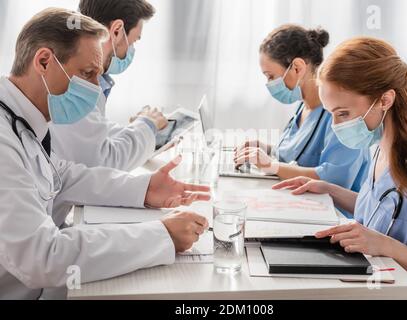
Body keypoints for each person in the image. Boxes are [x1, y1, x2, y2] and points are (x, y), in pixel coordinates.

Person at [0, 8, 210, 300]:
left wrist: (145, 189)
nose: (96, 87)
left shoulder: (25, 119)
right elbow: (43, 257)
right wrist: (161, 235)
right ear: (44, 61)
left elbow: (62, 175)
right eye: (88, 73)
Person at [273, 37, 407, 300]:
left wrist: (387, 246)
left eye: (343, 113)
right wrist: (329, 190)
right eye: (332, 113)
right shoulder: (380, 146)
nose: (335, 125)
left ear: (385, 100)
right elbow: (383, 211)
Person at [234, 24, 370, 194]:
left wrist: (270, 165)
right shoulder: (304, 106)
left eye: (271, 76)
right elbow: (297, 156)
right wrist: (265, 149)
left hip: (331, 212)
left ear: (297, 67)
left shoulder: (343, 114)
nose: (269, 84)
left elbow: (334, 180)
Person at [50, 0, 169, 171]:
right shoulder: (73, 80)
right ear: (117, 30)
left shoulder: (77, 68)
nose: (131, 50)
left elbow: (94, 133)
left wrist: (144, 129)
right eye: (134, 41)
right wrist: (147, 125)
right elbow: (104, 163)